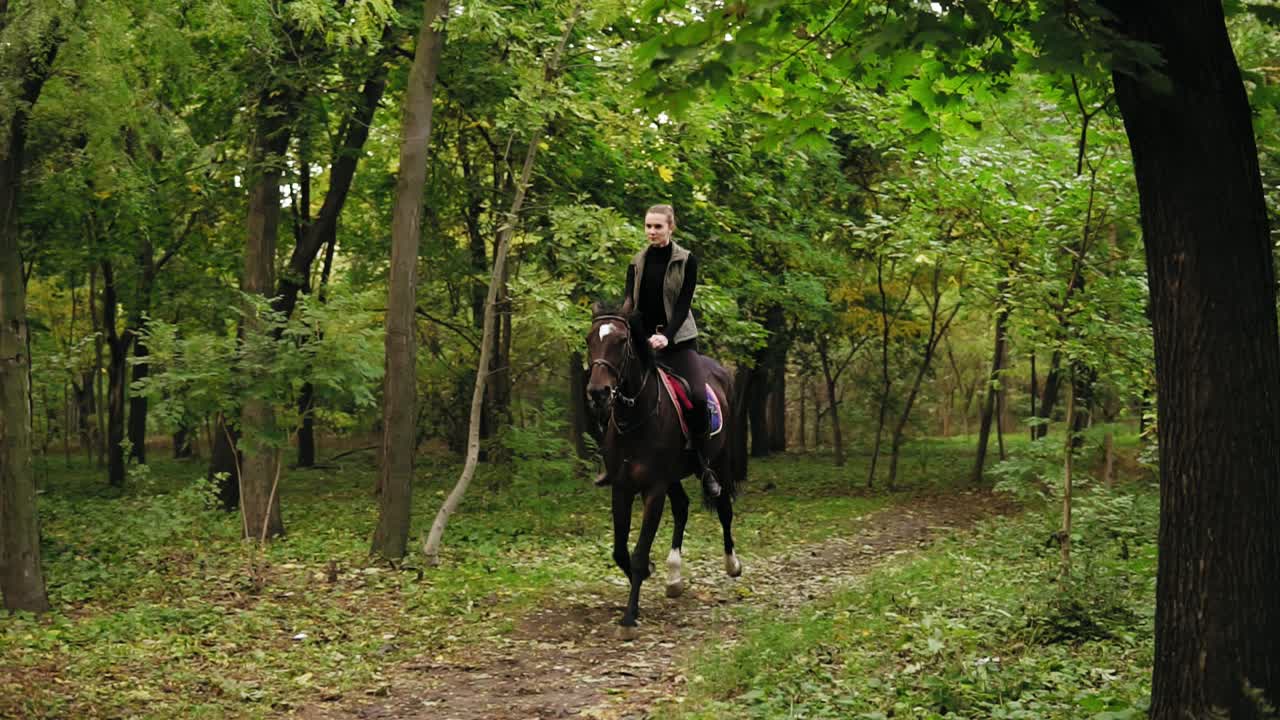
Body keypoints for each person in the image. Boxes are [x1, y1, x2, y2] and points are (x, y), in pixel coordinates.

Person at [596, 204, 722, 498]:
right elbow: (630, 302)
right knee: (604, 391)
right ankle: (611, 463)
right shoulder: (636, 262)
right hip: (642, 345)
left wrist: (666, 336)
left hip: (678, 344)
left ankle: (704, 466)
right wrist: (622, 325)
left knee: (697, 397)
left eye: (658, 227)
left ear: (670, 228)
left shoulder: (686, 261)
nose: (652, 232)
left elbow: (683, 305)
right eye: (648, 226)